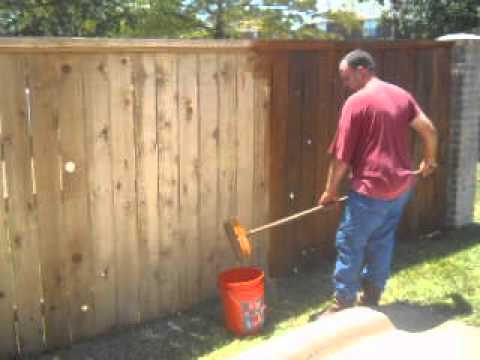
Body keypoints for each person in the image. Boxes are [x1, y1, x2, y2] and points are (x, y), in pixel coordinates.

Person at [316, 49, 438, 316]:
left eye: (346, 78)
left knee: (351, 242)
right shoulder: (400, 94)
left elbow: (341, 158)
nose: (345, 85)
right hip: (400, 188)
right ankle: (372, 296)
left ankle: (343, 302)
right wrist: (429, 161)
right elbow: (429, 129)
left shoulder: (356, 102)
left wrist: (329, 192)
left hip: (370, 190)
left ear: (362, 70)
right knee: (382, 240)